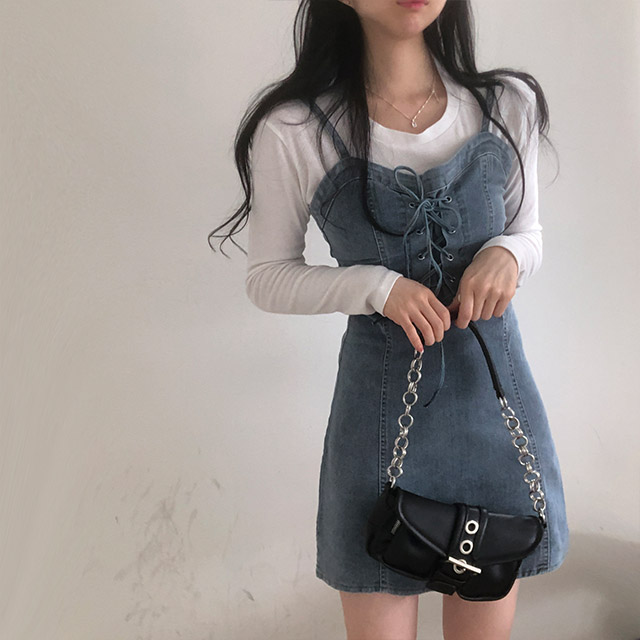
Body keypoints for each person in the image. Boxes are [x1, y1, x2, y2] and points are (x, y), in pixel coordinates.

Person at [209, 1, 570, 638]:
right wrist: (376, 287)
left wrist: (508, 254)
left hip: (495, 414)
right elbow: (267, 277)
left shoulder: (506, 104)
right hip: (377, 423)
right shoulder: (295, 129)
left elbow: (528, 232)